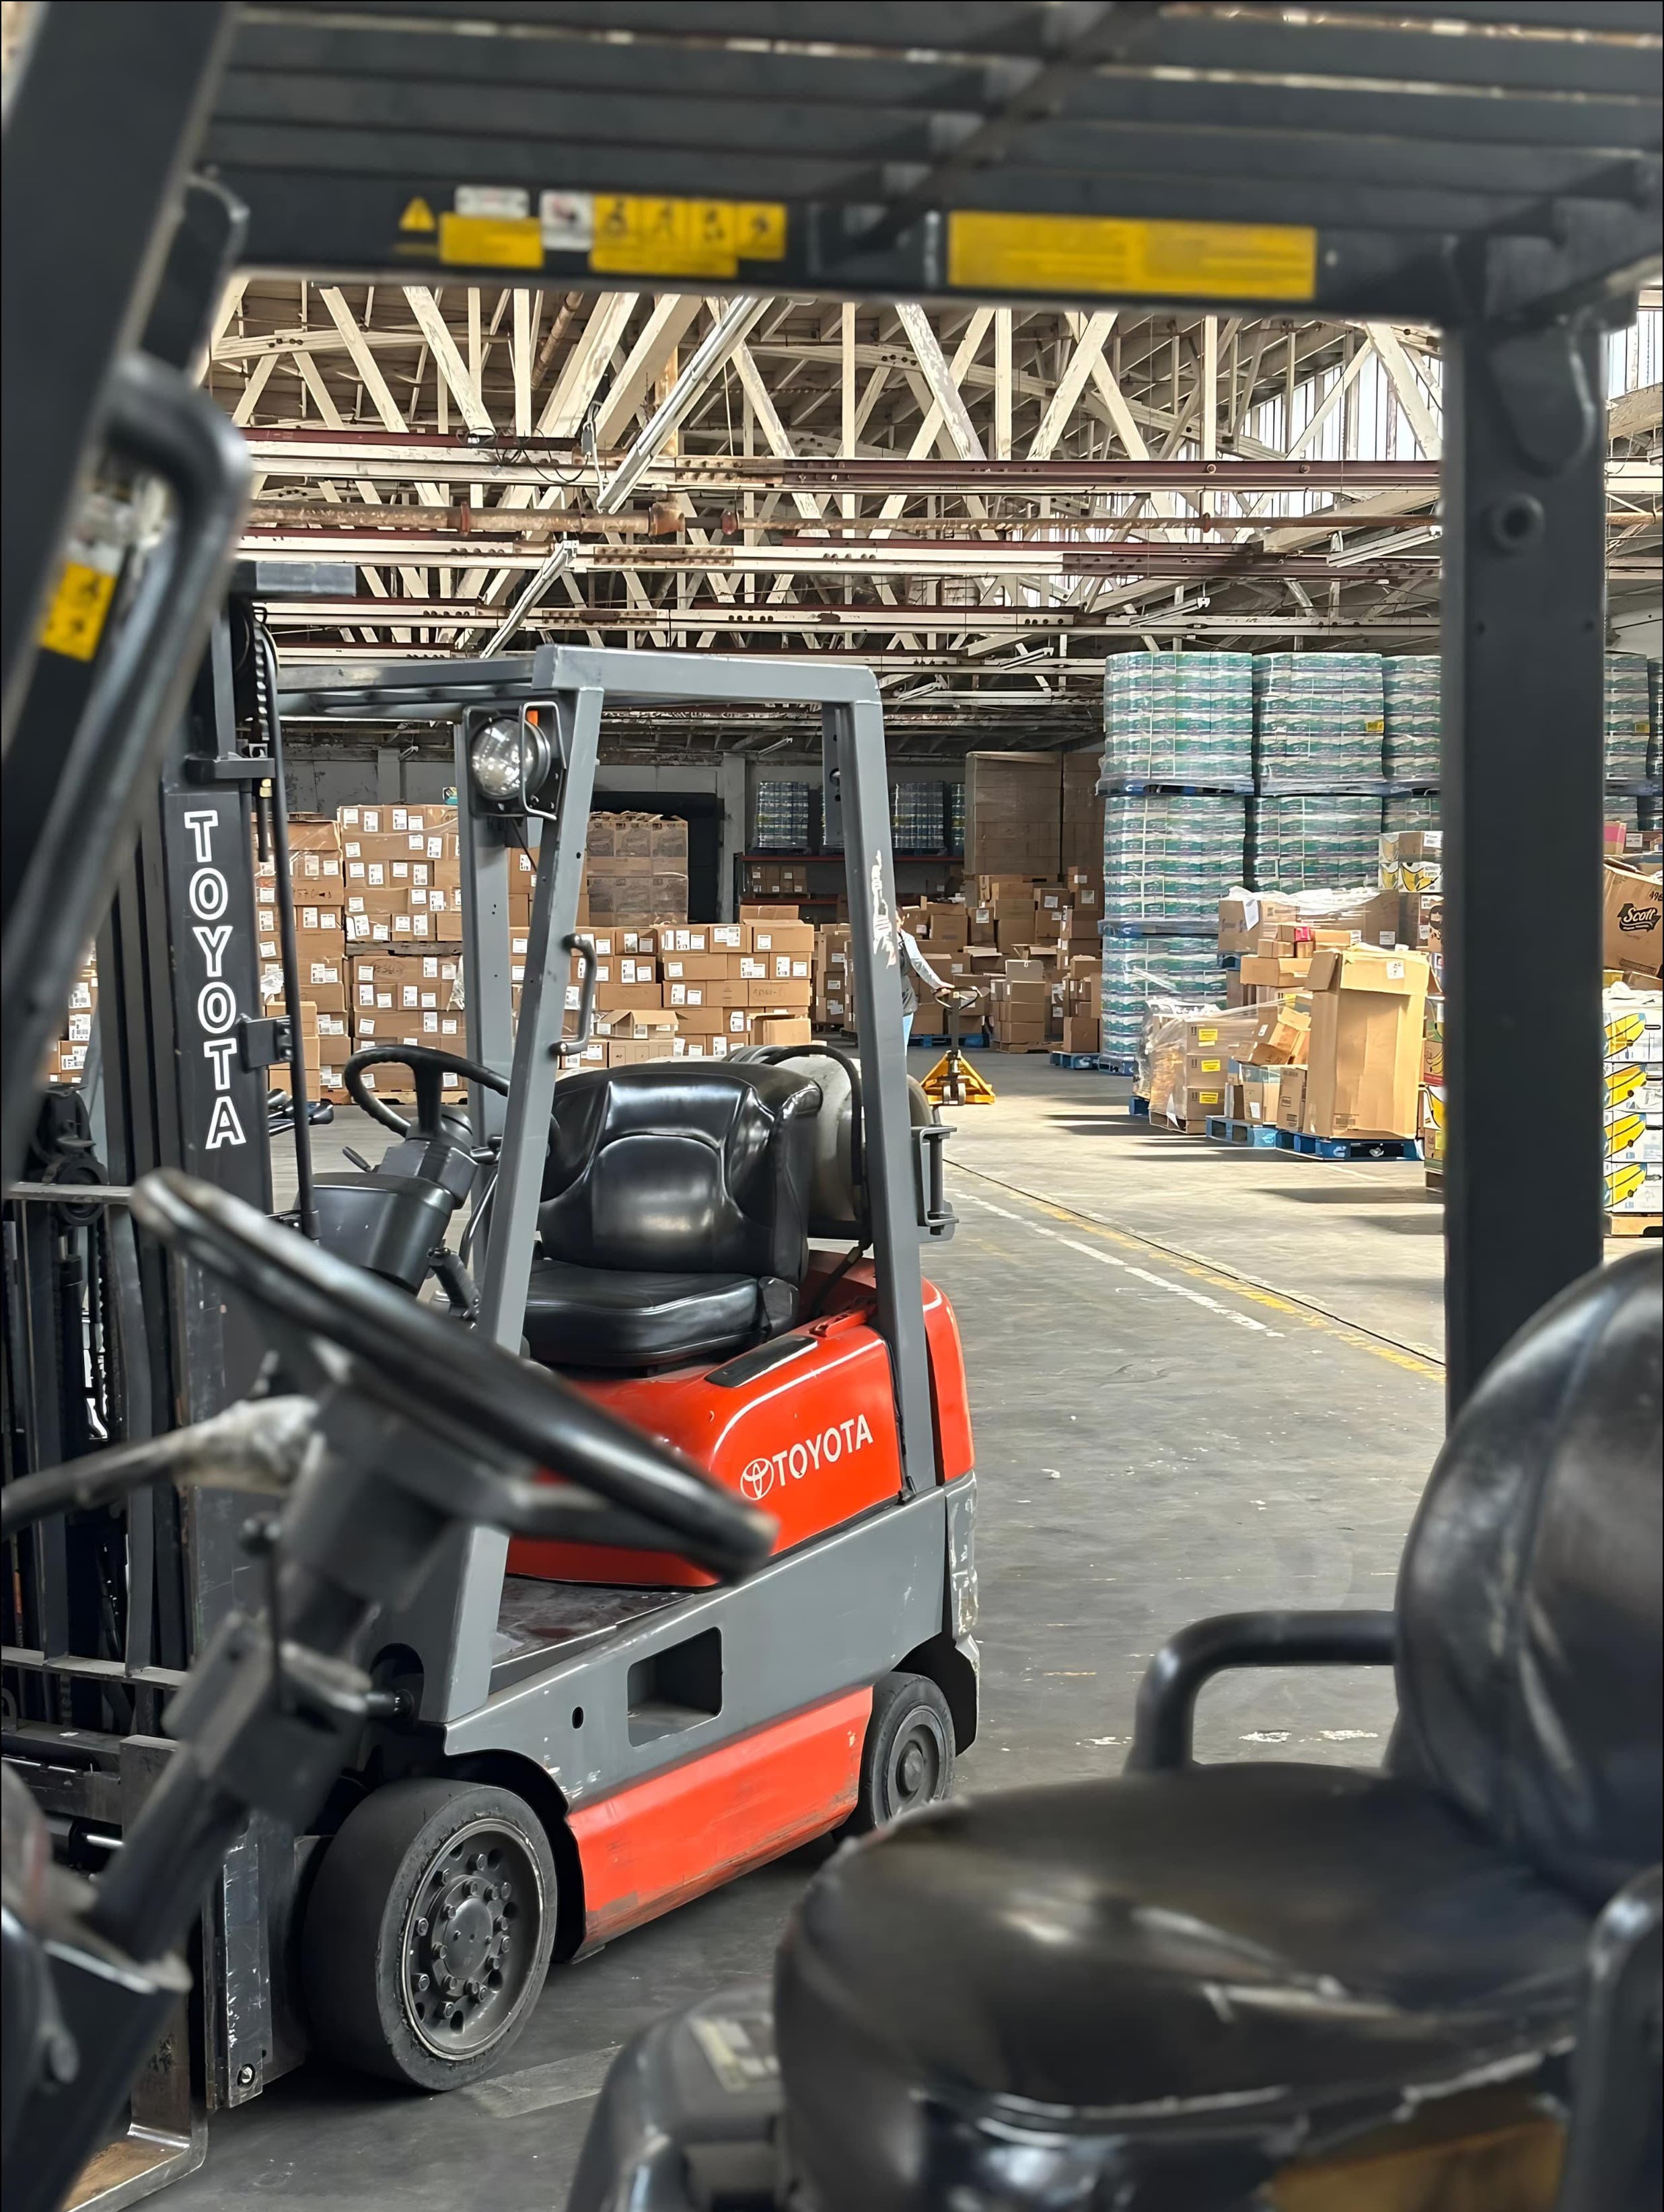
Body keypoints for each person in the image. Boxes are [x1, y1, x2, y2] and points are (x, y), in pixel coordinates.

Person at [898, 923, 958, 1051]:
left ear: (902, 921)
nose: (891, 924)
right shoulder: (875, 939)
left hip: (903, 995)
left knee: (900, 1047)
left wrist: (937, 984)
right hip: (880, 994)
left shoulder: (907, 939)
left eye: (896, 920)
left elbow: (918, 962)